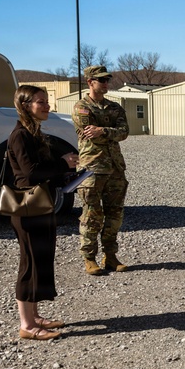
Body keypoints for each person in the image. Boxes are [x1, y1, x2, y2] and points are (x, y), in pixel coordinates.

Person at [8, 85, 79, 340]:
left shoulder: (34, 132)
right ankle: (26, 326)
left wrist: (67, 172)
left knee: (40, 261)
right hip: (28, 209)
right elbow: (29, 174)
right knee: (29, 264)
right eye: (41, 101)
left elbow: (43, 169)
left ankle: (35, 315)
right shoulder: (20, 136)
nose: (47, 105)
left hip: (41, 205)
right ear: (25, 105)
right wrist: (62, 163)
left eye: (47, 100)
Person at [72, 65, 130, 275]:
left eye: (107, 80)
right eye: (101, 80)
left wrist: (102, 130)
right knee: (92, 215)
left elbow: (124, 132)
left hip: (115, 167)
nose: (106, 84)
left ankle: (111, 256)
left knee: (115, 215)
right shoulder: (82, 107)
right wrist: (108, 132)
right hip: (92, 168)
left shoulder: (115, 108)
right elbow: (89, 133)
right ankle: (89, 258)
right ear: (90, 82)